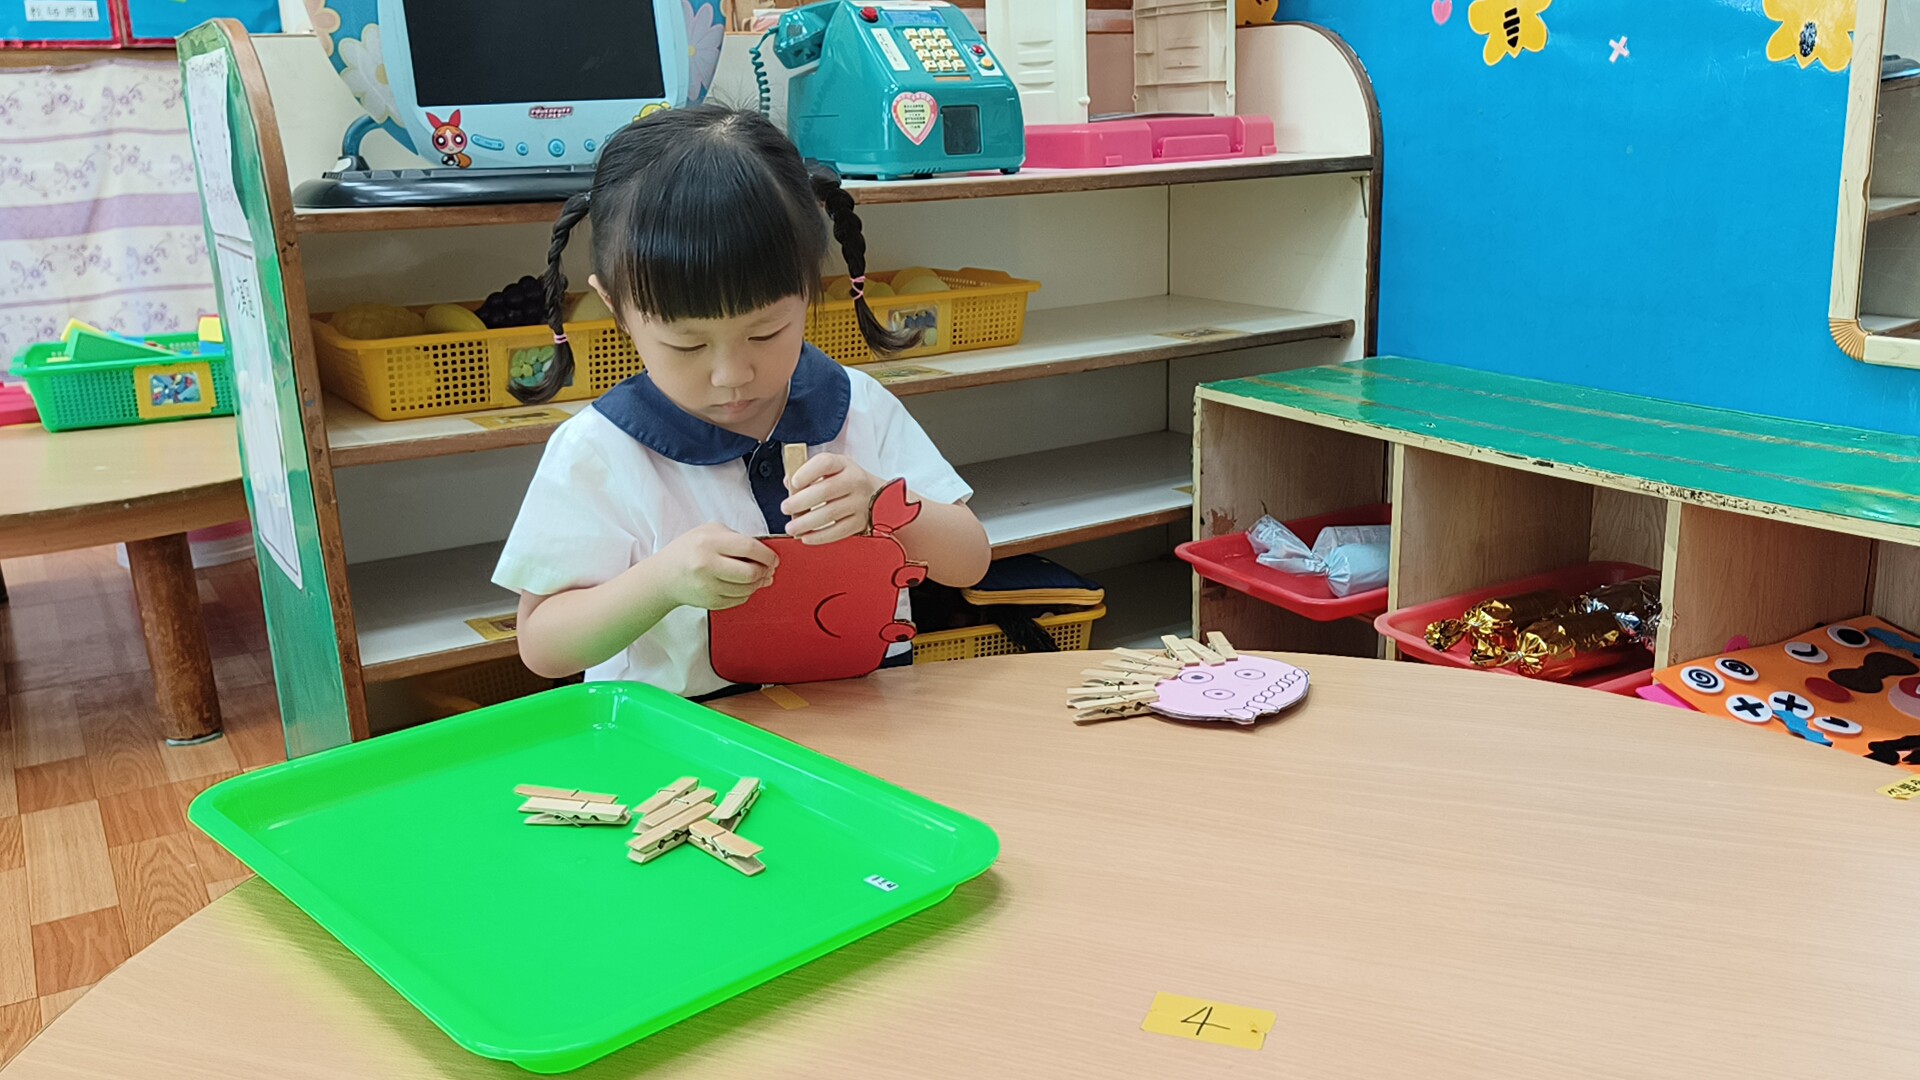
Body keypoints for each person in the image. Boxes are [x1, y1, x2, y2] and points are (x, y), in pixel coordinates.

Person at [492, 106, 991, 698]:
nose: (732, 375)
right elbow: (544, 646)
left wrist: (883, 505)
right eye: (687, 344)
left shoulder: (857, 406)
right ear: (614, 306)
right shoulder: (600, 451)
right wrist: (660, 582)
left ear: (809, 289)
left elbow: (970, 560)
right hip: (686, 735)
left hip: (865, 717)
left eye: (766, 333)